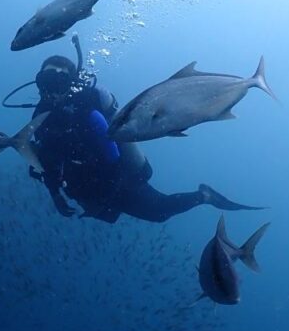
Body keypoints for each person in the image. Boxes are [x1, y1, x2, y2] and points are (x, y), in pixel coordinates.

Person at [19, 43, 261, 223]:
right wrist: (55, 194)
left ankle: (204, 195)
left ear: (71, 83)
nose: (52, 88)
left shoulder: (86, 108)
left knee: (159, 211)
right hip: (85, 186)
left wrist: (109, 194)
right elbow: (45, 160)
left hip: (117, 181)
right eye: (47, 79)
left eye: (60, 80)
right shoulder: (40, 116)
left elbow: (112, 155)